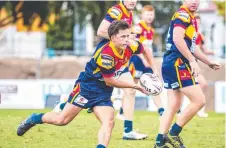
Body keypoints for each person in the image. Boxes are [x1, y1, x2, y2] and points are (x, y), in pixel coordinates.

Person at [17, 20, 158, 148]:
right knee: (62, 120)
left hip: (103, 91)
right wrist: (135, 86)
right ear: (113, 37)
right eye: (123, 37)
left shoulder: (130, 45)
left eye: (128, 36)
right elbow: (110, 80)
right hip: (87, 88)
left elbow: (146, 50)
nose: (127, 40)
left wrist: (155, 72)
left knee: (109, 122)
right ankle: (34, 118)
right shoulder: (106, 55)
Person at [154, 0, 221, 148]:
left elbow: (192, 46)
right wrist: (192, 61)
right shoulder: (183, 15)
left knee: (173, 104)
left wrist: (207, 61)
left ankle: (159, 142)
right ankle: (173, 133)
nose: (195, 2)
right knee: (199, 100)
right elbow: (178, 40)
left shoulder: (190, 17)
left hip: (173, 63)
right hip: (177, 63)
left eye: (197, 0)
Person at [116, 5, 165, 120]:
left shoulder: (151, 30)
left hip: (146, 61)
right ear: (142, 15)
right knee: (131, 86)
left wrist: (148, 60)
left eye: (151, 14)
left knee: (154, 82)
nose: (149, 17)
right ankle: (122, 111)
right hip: (137, 61)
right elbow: (133, 44)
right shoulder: (138, 28)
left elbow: (147, 48)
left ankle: (161, 111)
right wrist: (143, 59)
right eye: (147, 14)